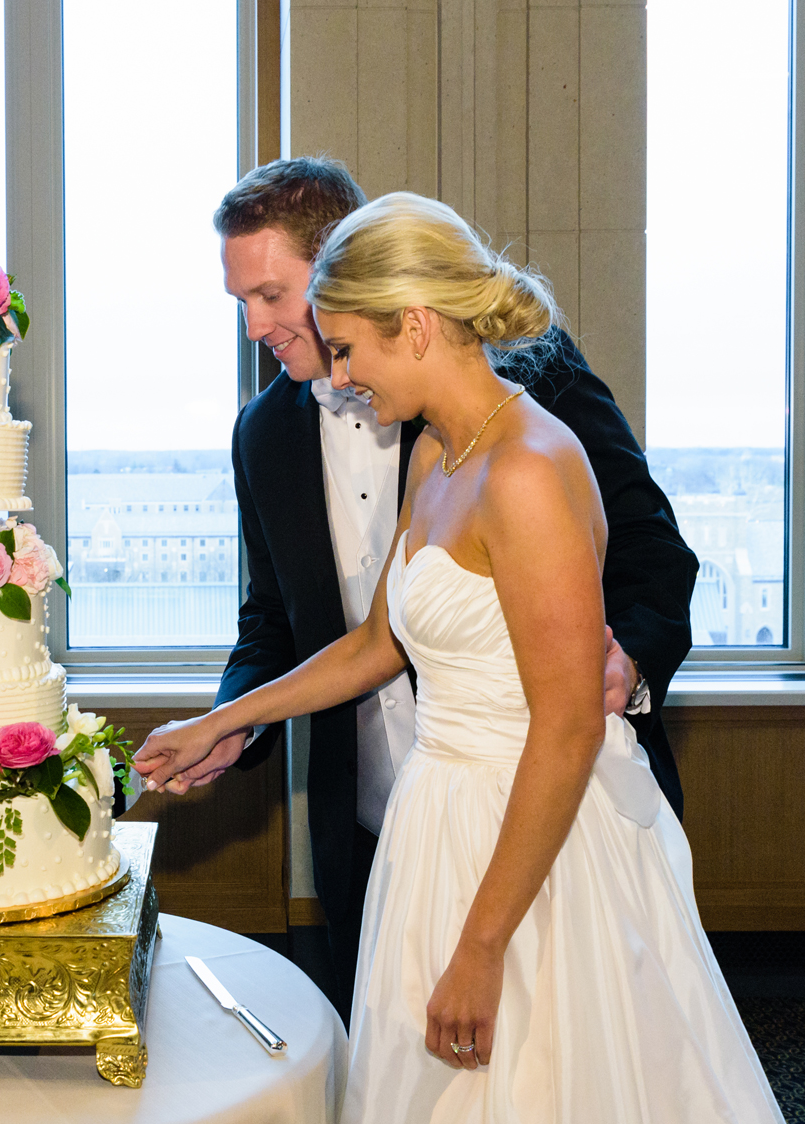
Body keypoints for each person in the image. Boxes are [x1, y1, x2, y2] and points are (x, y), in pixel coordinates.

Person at [134, 193, 805, 1124]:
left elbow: (569, 726)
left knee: (544, 1102)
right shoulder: (442, 457)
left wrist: (484, 946)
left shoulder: (529, 467)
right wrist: (225, 719)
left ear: (412, 325)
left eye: (352, 349)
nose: (344, 375)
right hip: (435, 821)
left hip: (533, 837)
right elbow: (376, 645)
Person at [160, 157, 697, 1019]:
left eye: (273, 295)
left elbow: (649, 549)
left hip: (539, 805)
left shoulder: (529, 405)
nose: (258, 326)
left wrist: (623, 665)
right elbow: (327, 631)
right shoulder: (309, 440)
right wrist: (228, 720)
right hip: (398, 820)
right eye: (242, 305)